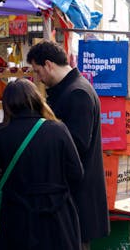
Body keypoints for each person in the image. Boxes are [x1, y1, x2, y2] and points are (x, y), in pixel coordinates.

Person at [27, 41, 109, 249]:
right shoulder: (71, 89)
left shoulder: (77, 93)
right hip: (70, 196)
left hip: (76, 198)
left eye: (37, 71)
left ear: (48, 64)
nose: (38, 78)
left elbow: (76, 146)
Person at [0, 78, 83, 250]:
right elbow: (76, 173)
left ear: (7, 104)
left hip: (17, 218)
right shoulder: (58, 129)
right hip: (58, 215)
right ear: (36, 98)